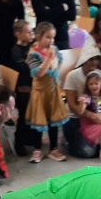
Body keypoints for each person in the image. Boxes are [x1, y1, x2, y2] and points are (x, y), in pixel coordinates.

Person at [24, 22, 68, 163]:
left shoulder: (54, 49)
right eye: (48, 37)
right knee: (39, 119)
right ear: (38, 37)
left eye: (52, 37)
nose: (51, 41)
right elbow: (39, 73)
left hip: (53, 91)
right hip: (40, 93)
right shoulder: (34, 54)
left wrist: (56, 72)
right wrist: (48, 58)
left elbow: (60, 61)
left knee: (53, 120)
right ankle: (37, 149)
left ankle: (53, 148)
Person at [8, 20, 35, 155]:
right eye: (28, 32)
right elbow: (24, 68)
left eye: (32, 32)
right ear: (18, 35)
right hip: (22, 89)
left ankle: (29, 139)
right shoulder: (15, 51)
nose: (31, 35)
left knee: (31, 115)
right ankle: (19, 143)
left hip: (31, 85)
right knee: (23, 116)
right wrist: (31, 62)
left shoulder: (30, 47)